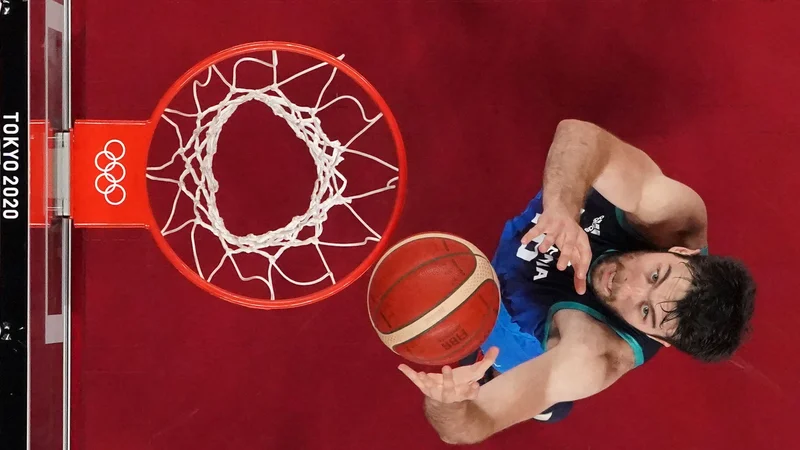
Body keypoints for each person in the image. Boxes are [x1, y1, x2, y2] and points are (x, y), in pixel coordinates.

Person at [398, 119, 756, 444]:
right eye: (655, 275)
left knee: (510, 374)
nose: (624, 286)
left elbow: (467, 427)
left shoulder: (592, 357)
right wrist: (561, 209)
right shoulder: (675, 217)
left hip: (517, 322)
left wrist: (447, 403)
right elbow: (579, 133)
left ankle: (547, 401)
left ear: (656, 339)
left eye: (645, 310)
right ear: (683, 251)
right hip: (529, 242)